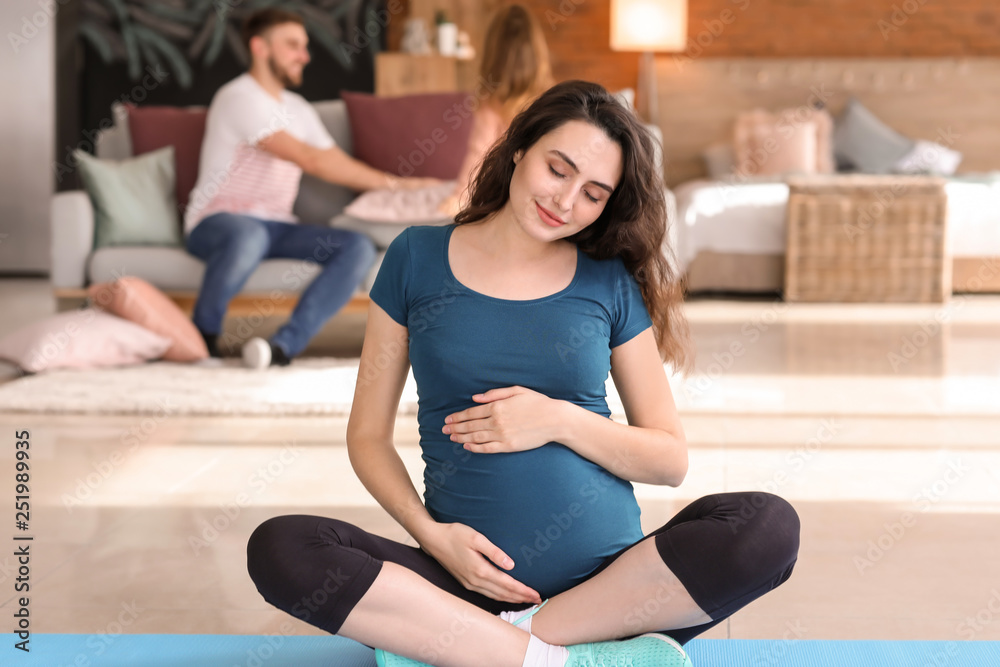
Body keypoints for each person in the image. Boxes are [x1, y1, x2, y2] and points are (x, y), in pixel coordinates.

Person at [246, 81, 800, 666]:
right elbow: (367, 437)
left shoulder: (608, 280)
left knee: (767, 529)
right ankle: (575, 659)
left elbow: (669, 459)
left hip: (610, 593)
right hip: (459, 586)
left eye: (592, 194)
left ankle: (493, 651)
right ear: (519, 148)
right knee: (283, 548)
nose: (564, 202)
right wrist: (434, 538)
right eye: (557, 169)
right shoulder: (415, 258)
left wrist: (556, 420)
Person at [184, 8, 438, 369]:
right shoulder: (238, 97)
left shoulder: (298, 108)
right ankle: (201, 341)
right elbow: (312, 160)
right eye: (292, 45)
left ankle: (281, 348)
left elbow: (337, 163)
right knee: (249, 237)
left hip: (277, 226)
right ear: (260, 47)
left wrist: (405, 187)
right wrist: (402, 185)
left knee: (356, 247)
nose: (304, 55)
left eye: (304, 46)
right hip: (218, 221)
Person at [438, 4, 553, 217]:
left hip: (506, 200)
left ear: (493, 55)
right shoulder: (550, 100)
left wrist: (458, 199)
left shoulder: (491, 102)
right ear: (538, 54)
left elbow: (478, 153)